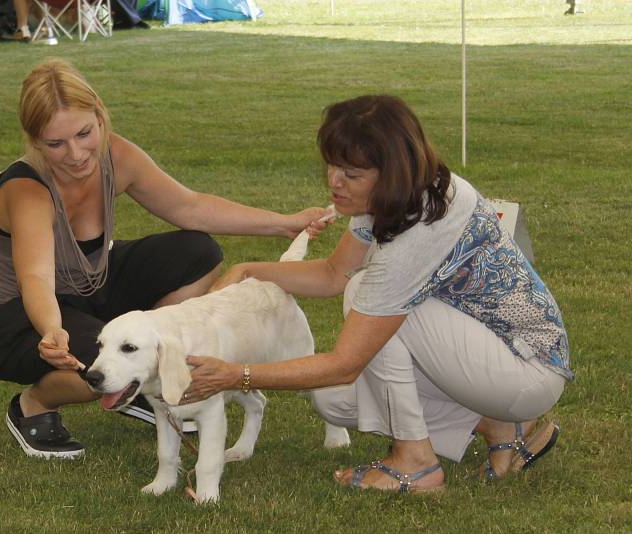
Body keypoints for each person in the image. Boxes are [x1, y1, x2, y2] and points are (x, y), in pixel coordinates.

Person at [181, 95, 572, 493]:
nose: (334, 181)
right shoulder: (404, 195)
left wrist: (237, 375)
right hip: (499, 359)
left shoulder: (416, 232)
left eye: (351, 174)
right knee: (334, 401)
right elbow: (332, 273)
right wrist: (248, 270)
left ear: (390, 174)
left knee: (363, 292)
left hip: (529, 369)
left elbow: (345, 363)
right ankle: (497, 424)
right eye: (332, 165)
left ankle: (416, 462)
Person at [0, 58, 331, 460]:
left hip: (89, 287)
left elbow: (190, 208)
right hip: (12, 317)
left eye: (85, 133)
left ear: (100, 116)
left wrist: (285, 224)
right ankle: (33, 406)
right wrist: (52, 329)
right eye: (56, 144)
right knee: (100, 367)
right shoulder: (27, 190)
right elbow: (35, 277)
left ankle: (144, 377)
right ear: (35, 142)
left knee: (197, 252)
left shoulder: (116, 155)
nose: (75, 154)